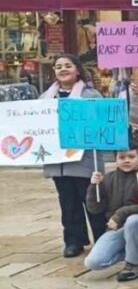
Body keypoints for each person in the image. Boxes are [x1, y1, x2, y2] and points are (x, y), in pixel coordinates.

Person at [41, 53, 106, 258]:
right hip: (58, 160)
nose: (63, 69)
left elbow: (102, 124)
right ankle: (74, 240)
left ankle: (103, 240)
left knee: (92, 200)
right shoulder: (45, 98)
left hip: (85, 158)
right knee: (67, 203)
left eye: (67, 65)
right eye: (58, 66)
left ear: (77, 69)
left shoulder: (91, 95)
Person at [83, 136, 138, 281]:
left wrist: (120, 214)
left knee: (133, 221)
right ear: (116, 159)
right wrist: (94, 187)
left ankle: (135, 263)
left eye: (131, 156)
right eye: (122, 157)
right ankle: (132, 250)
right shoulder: (108, 179)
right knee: (93, 262)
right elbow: (95, 209)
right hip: (117, 228)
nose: (126, 160)